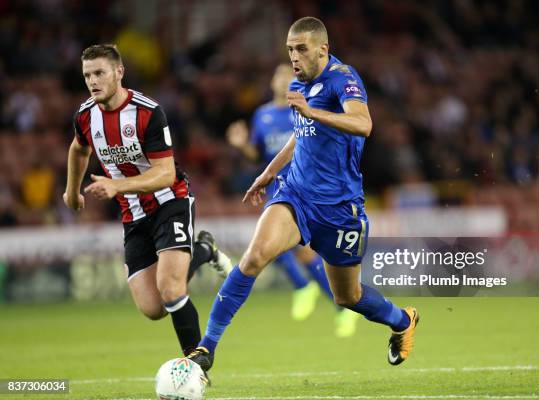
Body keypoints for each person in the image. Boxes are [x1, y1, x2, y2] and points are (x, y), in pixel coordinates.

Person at [188, 17, 419, 381]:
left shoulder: (343, 78)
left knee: (348, 297)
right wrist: (268, 172)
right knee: (253, 258)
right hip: (295, 195)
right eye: (290, 50)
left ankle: (403, 320)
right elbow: (301, 135)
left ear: (322, 49)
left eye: (301, 49)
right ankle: (206, 348)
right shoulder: (300, 83)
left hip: (341, 207)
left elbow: (364, 123)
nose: (294, 57)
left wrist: (313, 111)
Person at [63, 44, 232, 368]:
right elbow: (78, 148)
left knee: (170, 290)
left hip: (170, 202)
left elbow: (166, 174)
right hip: (133, 215)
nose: (93, 81)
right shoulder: (85, 115)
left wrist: (116, 185)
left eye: (99, 73)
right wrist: (72, 192)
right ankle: (204, 250)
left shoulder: (147, 112)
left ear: (118, 72)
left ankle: (196, 365)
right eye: (87, 75)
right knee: (153, 308)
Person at [226, 63, 359, 336]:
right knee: (274, 247)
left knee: (299, 251)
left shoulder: (304, 108)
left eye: (289, 74)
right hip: (277, 186)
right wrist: (241, 145)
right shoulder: (261, 115)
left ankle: (315, 292)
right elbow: (258, 154)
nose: (284, 79)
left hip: (306, 186)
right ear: (273, 81)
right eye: (279, 74)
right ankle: (324, 298)